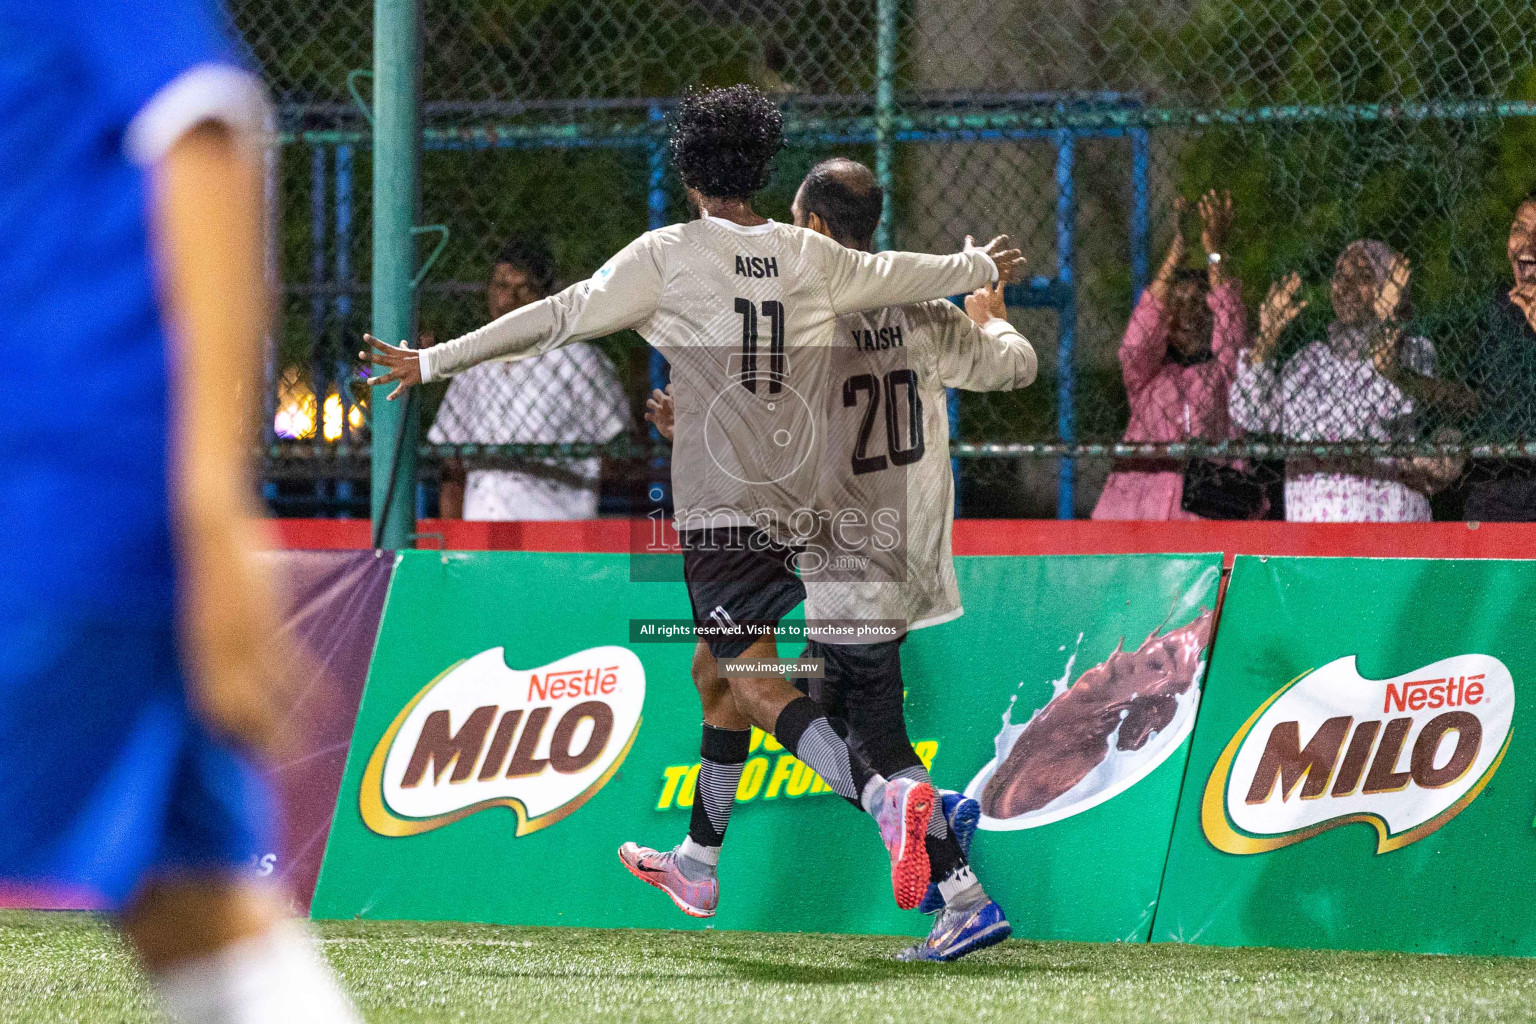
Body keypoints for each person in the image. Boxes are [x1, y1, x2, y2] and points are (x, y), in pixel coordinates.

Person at [359, 85, 1025, 911]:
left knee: (752, 683)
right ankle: (699, 861)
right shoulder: (807, 253)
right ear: (760, 167)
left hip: (724, 514)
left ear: (687, 170)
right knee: (712, 669)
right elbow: (901, 272)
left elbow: (558, 316)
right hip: (805, 511)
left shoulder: (666, 255)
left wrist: (433, 362)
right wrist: (980, 267)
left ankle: (889, 805)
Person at [0, 4, 360, 1023]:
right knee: (195, 911)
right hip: (76, 498)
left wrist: (211, 497)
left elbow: (206, 125)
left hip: (54, 507)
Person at [634, 157, 1037, 962]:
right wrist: (991, 315)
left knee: (870, 743)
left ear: (816, 229)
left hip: (841, 554)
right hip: (908, 551)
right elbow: (1015, 368)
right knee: (720, 669)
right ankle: (698, 858)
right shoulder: (919, 308)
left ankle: (962, 894)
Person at [1230, 240, 1463, 522]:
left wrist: (1384, 320)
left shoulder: (1414, 351)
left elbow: (1384, 404)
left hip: (1387, 530)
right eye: (1340, 276)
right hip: (1312, 538)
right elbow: (1251, 415)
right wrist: (1266, 339)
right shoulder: (1310, 360)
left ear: (1393, 291)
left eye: (1364, 277)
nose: (1346, 286)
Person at [427, 238, 631, 520]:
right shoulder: (472, 362)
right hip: (481, 535)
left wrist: (568, 476)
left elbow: (619, 450)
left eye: (523, 289)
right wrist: (449, 548)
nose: (506, 301)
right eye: (500, 286)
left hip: (555, 531)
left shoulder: (578, 360)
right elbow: (452, 468)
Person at [1092, 191, 1252, 520]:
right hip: (1138, 518)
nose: (1188, 315)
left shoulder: (1225, 374)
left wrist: (1214, 254)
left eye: (1199, 305)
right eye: (1177, 306)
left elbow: (1232, 333)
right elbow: (1137, 341)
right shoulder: (1148, 376)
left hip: (1206, 517)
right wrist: (1174, 256)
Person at [1462, 195, 1536, 520]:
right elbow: (1474, 396)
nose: (1529, 242)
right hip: (1497, 496)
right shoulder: (1497, 310)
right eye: (1520, 228)